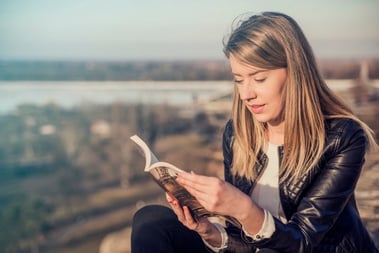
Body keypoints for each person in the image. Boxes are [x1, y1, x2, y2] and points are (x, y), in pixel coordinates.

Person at [131, 12, 379, 253]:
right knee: (151, 221)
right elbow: (244, 242)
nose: (246, 94)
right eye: (239, 80)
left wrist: (242, 208)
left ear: (295, 73)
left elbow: (302, 242)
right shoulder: (237, 133)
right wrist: (209, 232)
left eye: (259, 79)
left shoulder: (342, 137)